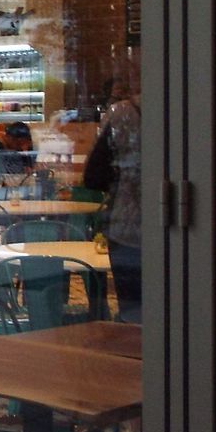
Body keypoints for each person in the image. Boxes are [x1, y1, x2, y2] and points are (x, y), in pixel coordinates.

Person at [88, 83, 143, 322]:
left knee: (133, 311)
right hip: (194, 232)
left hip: (128, 228)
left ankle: (134, 358)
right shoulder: (205, 109)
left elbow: (94, 175)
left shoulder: (121, 114)